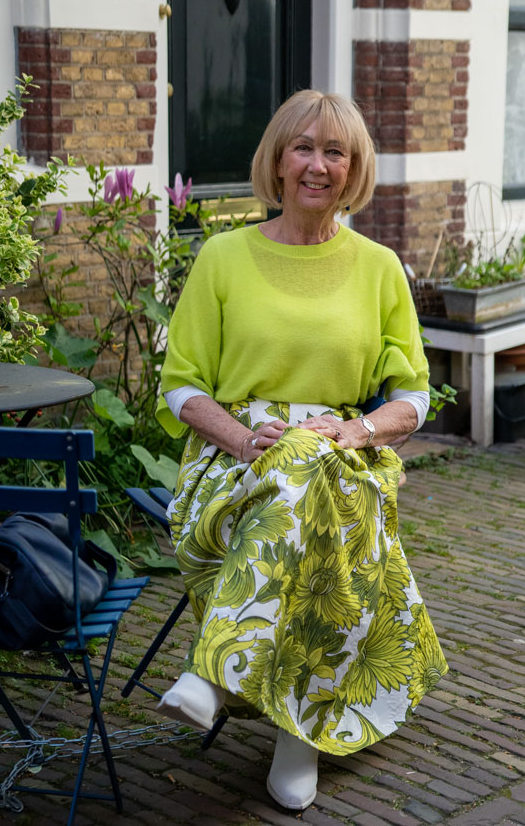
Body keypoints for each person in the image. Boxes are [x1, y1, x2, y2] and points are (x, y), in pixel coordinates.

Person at [156, 90, 448, 811]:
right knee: (301, 478)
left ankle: (218, 675)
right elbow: (178, 387)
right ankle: (297, 739)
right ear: (277, 160)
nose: (316, 165)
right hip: (231, 466)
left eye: (334, 151)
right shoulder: (222, 258)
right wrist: (239, 436)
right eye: (303, 147)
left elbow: (413, 394)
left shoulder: (379, 267)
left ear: (352, 170)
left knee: (311, 467)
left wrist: (358, 430)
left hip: (342, 458)